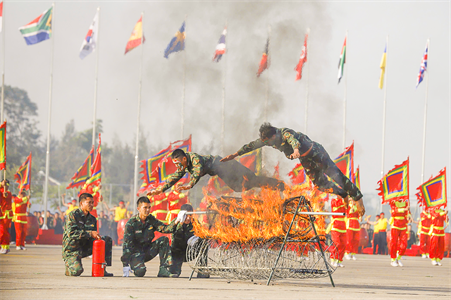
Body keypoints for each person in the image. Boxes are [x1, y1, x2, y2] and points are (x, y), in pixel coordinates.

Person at [221, 123, 365, 216]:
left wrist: (296, 150)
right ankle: (342, 193)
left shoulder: (285, 133)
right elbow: (251, 145)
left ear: (274, 135)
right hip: (305, 159)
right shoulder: (267, 139)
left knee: (336, 176)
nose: (269, 144)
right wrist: (235, 154)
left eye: (269, 141)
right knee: (320, 185)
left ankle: (357, 197)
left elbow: (293, 140)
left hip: (316, 153)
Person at [148, 149, 284, 197]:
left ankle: (279, 185)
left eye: (178, 163)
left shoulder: (194, 158)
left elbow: (197, 171)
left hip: (225, 165)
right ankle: (273, 186)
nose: (178, 166)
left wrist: (189, 185)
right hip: (221, 171)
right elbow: (175, 177)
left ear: (184, 158)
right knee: (239, 187)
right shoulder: (183, 164)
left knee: (252, 179)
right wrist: (160, 190)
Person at [121, 197, 182, 278]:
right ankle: (137, 266)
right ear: (138, 209)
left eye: (149, 207)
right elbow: (126, 244)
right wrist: (125, 264)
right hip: (135, 254)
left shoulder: (151, 219)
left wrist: (176, 221)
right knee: (140, 272)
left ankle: (163, 269)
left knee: (163, 240)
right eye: (145, 207)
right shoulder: (131, 223)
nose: (147, 210)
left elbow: (165, 229)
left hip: (147, 251)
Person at [62, 193, 113, 276]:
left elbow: (93, 237)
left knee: (106, 240)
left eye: (92, 203)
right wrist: (90, 233)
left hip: (84, 247)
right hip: (72, 249)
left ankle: (102, 268)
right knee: (77, 271)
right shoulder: (73, 215)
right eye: (89, 202)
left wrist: (97, 238)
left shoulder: (92, 219)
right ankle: (69, 267)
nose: (92, 205)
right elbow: (71, 234)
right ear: (81, 203)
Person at [170, 203, 209, 278]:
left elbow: (203, 234)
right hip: (178, 252)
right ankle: (173, 269)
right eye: (186, 215)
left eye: (190, 215)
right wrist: (180, 223)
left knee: (204, 243)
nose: (188, 218)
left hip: (190, 252)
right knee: (174, 274)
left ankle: (202, 270)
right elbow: (174, 233)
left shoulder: (195, 223)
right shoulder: (176, 222)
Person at [388, 200, 411, 267]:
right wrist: (404, 209)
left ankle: (398, 258)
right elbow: (394, 212)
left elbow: (407, 213)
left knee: (404, 244)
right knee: (394, 243)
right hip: (395, 224)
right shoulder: (393, 202)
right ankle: (393, 260)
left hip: (403, 224)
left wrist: (409, 216)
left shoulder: (406, 202)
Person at [329, 196, 347, 268]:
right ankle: (333, 259)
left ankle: (339, 261)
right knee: (337, 243)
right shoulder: (334, 201)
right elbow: (337, 204)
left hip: (343, 226)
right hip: (336, 225)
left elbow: (347, 208)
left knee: (343, 244)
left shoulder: (345, 201)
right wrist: (346, 199)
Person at [0, 179, 13, 254]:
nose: (6, 187)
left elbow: (6, 195)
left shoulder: (8, 193)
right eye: (5, 185)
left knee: (4, 231)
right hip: (2, 213)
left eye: (7, 186)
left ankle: (5, 246)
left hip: (5, 215)